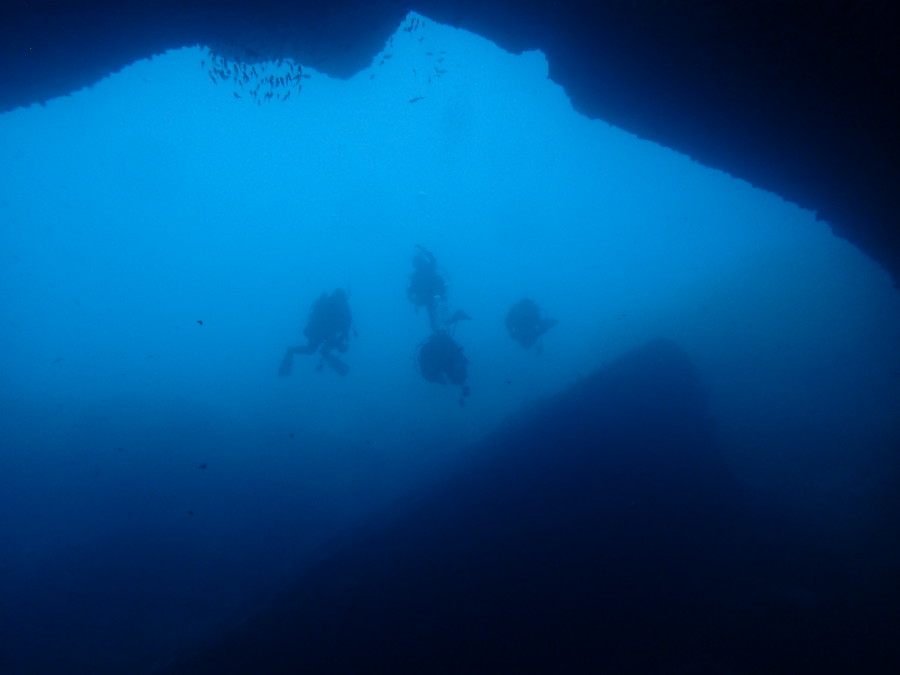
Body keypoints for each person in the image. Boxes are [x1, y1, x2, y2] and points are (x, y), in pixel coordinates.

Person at [279, 288, 353, 376]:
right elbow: (347, 321)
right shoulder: (341, 305)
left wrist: (342, 336)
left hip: (318, 331)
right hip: (324, 331)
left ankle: (291, 351)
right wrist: (343, 336)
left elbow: (313, 316)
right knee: (322, 349)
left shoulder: (327, 302)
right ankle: (324, 353)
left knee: (311, 350)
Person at [416, 330, 471, 404]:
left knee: (456, 378)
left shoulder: (429, 347)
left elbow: (460, 358)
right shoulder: (448, 344)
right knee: (457, 378)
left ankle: (458, 392)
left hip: (439, 368)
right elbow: (460, 358)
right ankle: (459, 391)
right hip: (441, 366)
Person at [407, 244, 447, 332]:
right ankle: (439, 329)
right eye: (416, 265)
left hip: (433, 296)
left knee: (435, 313)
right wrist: (423, 250)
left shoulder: (423, 272)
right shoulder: (421, 273)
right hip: (431, 297)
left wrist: (423, 250)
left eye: (417, 264)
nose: (417, 267)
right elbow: (410, 290)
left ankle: (440, 328)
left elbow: (410, 290)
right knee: (434, 313)